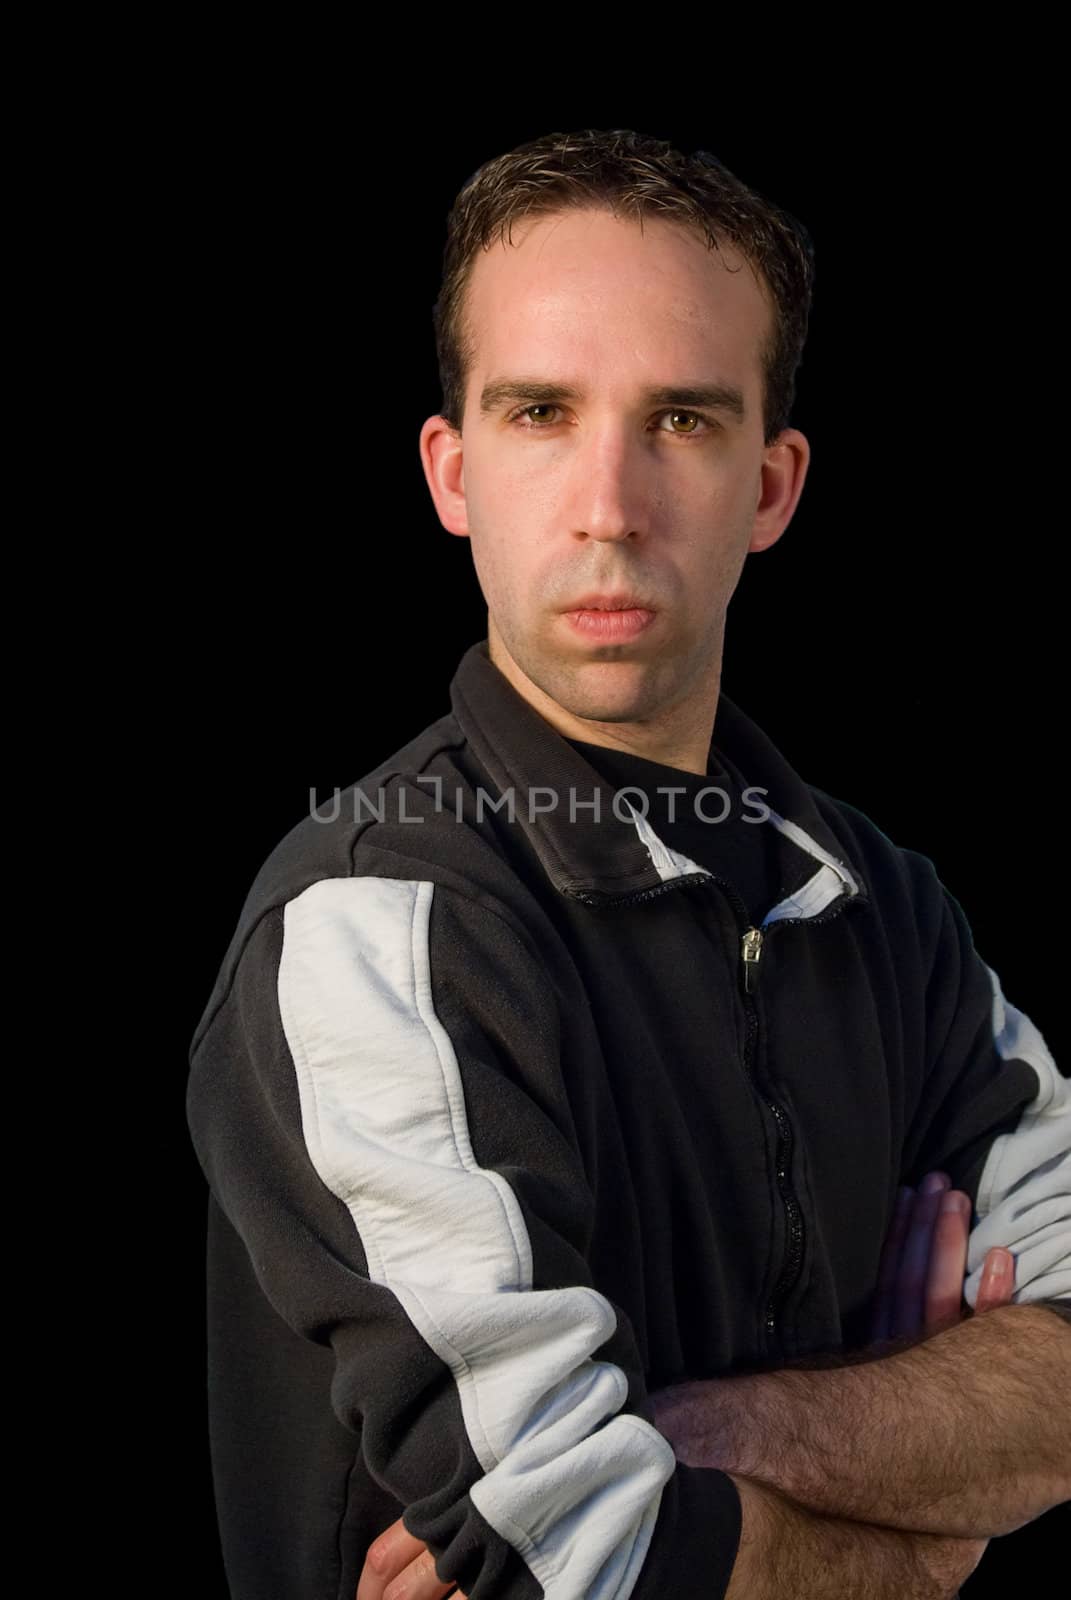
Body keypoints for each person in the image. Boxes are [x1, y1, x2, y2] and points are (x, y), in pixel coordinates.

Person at [186, 128, 1071, 1600]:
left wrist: (702, 1435)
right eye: (542, 412)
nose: (609, 505)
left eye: (681, 421)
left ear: (773, 488)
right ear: (452, 472)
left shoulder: (886, 914)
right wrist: (934, 1541)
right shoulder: (380, 923)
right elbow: (578, 1558)